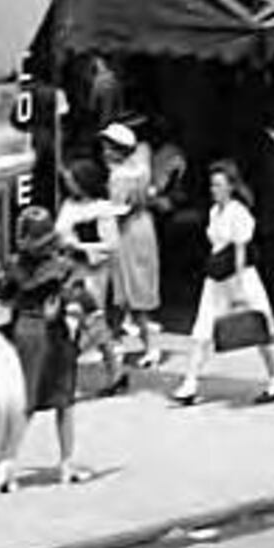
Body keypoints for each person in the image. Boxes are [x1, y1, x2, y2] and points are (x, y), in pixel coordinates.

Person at [171, 162, 274, 407]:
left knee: (258, 329)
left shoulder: (238, 213)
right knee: (202, 329)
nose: (213, 189)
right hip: (216, 278)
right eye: (212, 185)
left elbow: (240, 252)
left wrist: (238, 291)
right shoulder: (215, 212)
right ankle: (190, 382)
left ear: (230, 187)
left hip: (239, 277)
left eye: (218, 185)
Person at [2, 203, 99, 484]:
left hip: (24, 330)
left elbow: (6, 298)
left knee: (27, 401)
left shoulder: (14, 265)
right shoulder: (61, 267)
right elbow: (80, 295)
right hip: (53, 332)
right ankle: (67, 464)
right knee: (63, 399)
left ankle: (7, 465)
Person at [100, 119, 166, 372]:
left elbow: (118, 210)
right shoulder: (141, 168)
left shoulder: (119, 176)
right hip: (144, 227)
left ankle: (148, 346)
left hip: (127, 233)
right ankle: (117, 343)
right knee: (130, 292)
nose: (105, 151)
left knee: (129, 292)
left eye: (108, 146)